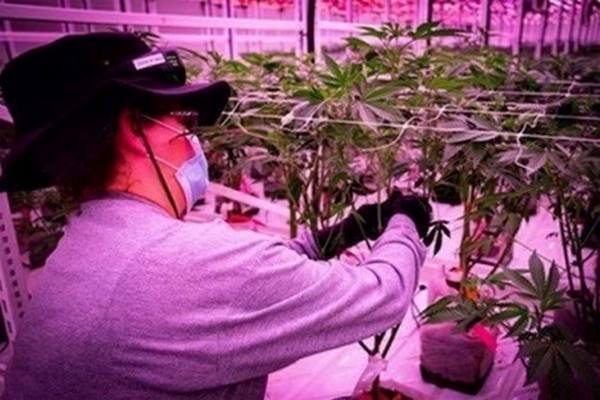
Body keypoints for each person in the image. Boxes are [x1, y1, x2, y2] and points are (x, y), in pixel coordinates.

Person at [0, 32, 431, 400]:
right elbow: (382, 294)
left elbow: (248, 278)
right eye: (185, 122)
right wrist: (405, 220)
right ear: (134, 129)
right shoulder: (181, 263)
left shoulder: (83, 247)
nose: (195, 140)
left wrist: (345, 232)